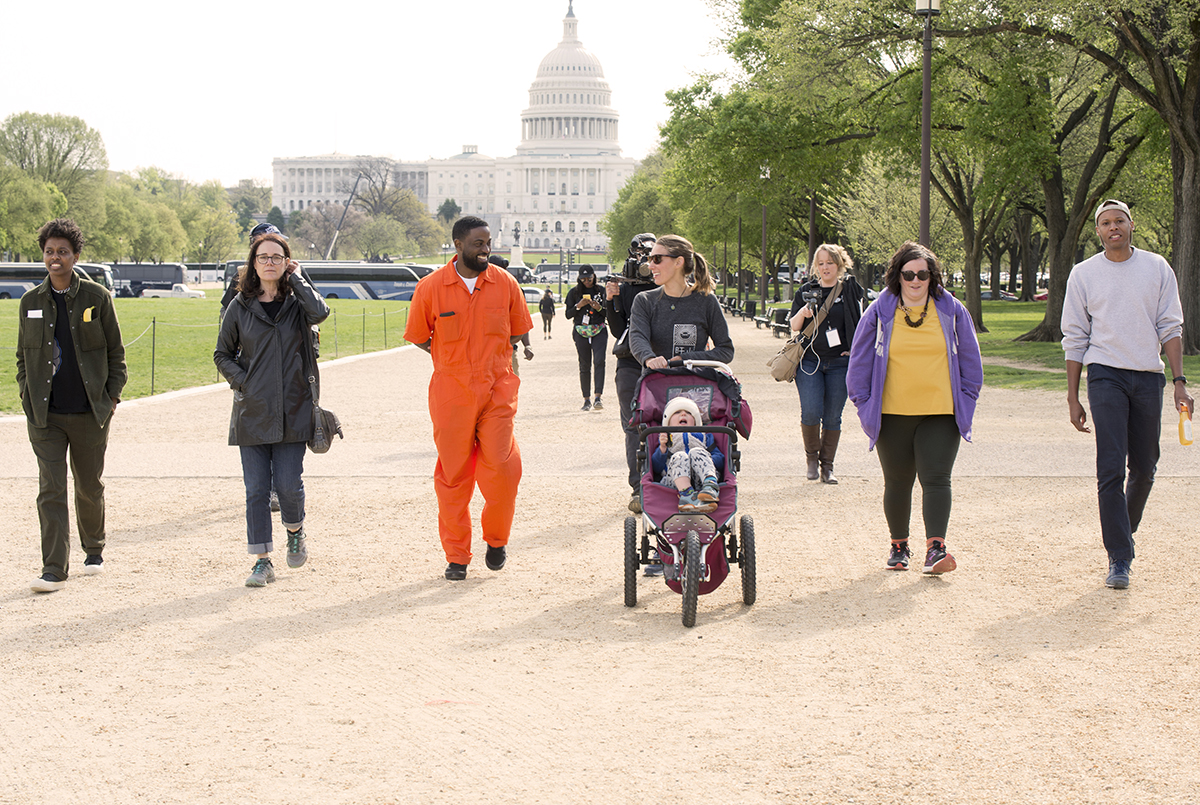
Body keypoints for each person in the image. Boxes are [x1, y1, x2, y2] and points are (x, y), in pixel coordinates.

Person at [1061, 199, 1192, 590]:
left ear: (1131, 225)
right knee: (1111, 467)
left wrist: (1179, 382)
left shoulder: (1156, 268)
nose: (1112, 227)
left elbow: (1170, 326)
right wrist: (1072, 397)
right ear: (1097, 231)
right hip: (1105, 376)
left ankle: (1123, 534)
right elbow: (1074, 337)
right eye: (1105, 222)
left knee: (1146, 467)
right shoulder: (1083, 274)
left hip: (1148, 376)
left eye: (1119, 220)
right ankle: (1119, 557)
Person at [403, 216, 534, 581]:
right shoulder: (431, 287)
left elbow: (519, 329)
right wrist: (446, 357)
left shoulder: (505, 283)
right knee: (453, 476)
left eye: (488, 242)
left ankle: (497, 540)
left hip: (497, 388)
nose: (486, 249)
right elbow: (417, 334)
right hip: (451, 392)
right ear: (458, 245)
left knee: (503, 468)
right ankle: (457, 555)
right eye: (478, 243)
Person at [846, 241, 983, 575]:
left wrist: (966, 397)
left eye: (923, 273)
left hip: (941, 411)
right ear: (898, 276)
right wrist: (864, 404)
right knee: (898, 481)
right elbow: (859, 362)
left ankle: (936, 549)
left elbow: (971, 360)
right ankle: (899, 545)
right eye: (909, 274)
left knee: (936, 478)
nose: (916, 280)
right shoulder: (879, 311)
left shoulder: (952, 310)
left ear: (933, 276)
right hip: (892, 412)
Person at [214, 232, 331, 587]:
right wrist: (243, 382)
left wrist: (297, 278)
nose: (269, 263)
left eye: (276, 257)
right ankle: (262, 561)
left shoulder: (298, 304)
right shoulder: (239, 305)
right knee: (256, 490)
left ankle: (295, 530)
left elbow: (321, 313)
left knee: (288, 485)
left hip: (294, 407)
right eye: (262, 257)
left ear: (286, 262)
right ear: (253, 263)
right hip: (252, 410)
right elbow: (221, 353)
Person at [18, 218, 127, 592]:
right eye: (49, 252)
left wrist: (110, 398)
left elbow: (117, 355)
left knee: (88, 486)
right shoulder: (30, 302)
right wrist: (26, 398)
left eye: (62, 252)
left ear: (75, 255)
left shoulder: (97, 297)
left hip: (89, 414)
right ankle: (53, 569)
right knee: (50, 489)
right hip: (44, 416)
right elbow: (22, 359)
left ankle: (94, 549)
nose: (55, 258)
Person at [629, 234, 734, 575]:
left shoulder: (705, 301)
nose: (651, 264)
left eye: (658, 259)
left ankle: (705, 505)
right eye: (650, 259)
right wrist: (651, 359)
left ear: (679, 262)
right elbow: (638, 338)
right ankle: (664, 543)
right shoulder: (646, 300)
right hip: (659, 393)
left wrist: (687, 359)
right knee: (660, 455)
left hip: (696, 393)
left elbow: (725, 350)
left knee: (700, 447)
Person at [788, 244, 867, 484]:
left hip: (839, 364)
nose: (825, 268)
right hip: (810, 361)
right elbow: (793, 325)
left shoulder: (851, 289)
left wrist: (853, 349)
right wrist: (804, 312)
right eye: (821, 263)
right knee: (811, 412)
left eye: (830, 263)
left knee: (833, 416)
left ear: (840, 264)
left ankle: (827, 467)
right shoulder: (806, 290)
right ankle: (812, 458)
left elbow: (862, 322)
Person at [606, 233, 658, 513]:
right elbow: (617, 330)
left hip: (662, 359)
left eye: (651, 254)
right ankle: (638, 487)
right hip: (629, 360)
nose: (644, 259)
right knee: (633, 425)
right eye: (640, 253)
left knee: (667, 422)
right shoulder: (626, 283)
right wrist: (612, 299)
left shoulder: (664, 281)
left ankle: (665, 482)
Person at [651, 396, 724, 513]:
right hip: (674, 480)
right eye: (677, 412)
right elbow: (656, 467)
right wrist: (662, 448)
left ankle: (710, 486)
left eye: (688, 413)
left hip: (701, 478)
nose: (683, 414)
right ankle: (687, 496)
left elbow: (720, 459)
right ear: (668, 421)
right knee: (680, 456)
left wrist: (707, 460)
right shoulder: (667, 438)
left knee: (696, 452)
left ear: (695, 421)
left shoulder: (704, 436)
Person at [564, 264, 608, 411]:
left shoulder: (601, 291)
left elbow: (610, 314)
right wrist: (578, 305)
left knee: (599, 361)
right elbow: (568, 314)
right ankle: (586, 399)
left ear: (594, 276)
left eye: (589, 278)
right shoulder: (574, 292)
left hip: (598, 328)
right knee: (584, 365)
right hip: (580, 330)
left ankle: (598, 397)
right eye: (583, 279)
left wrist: (599, 308)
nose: (587, 282)